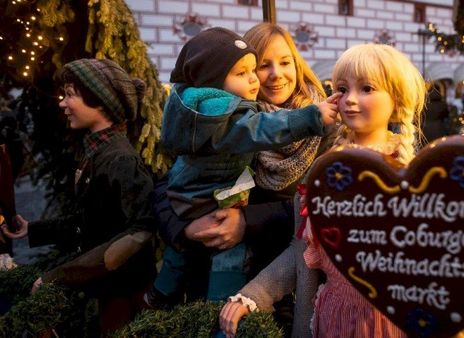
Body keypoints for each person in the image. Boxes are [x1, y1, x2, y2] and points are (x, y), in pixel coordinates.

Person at [220, 43, 427, 337]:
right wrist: (253, 295)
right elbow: (303, 252)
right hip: (330, 320)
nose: (351, 100)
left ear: (396, 98)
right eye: (343, 88)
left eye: (367, 88)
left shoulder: (413, 178)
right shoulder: (322, 172)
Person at [145, 27, 339, 309]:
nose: (276, 74)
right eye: (263, 65)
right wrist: (184, 229)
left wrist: (248, 220)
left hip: (287, 289)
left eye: (285, 62)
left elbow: (322, 208)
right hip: (211, 275)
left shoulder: (326, 125)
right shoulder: (220, 117)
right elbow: (168, 185)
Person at [1, 58, 157, 333]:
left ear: (100, 101)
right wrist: (33, 230)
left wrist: (58, 277)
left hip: (123, 299)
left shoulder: (120, 160)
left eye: (71, 94)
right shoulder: (96, 152)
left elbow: (138, 232)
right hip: (106, 292)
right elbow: (90, 221)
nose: (62, 102)